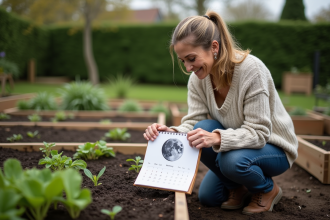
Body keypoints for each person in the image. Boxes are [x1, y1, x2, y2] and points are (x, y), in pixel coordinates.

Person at [143, 10, 298, 215]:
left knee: (231, 162)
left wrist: (216, 137)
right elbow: (194, 122)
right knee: (209, 196)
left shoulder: (251, 70)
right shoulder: (198, 80)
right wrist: (170, 132)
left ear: (214, 47)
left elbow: (259, 133)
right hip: (235, 146)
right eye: (183, 61)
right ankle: (238, 188)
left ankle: (268, 189)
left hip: (273, 147)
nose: (188, 67)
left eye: (191, 58)